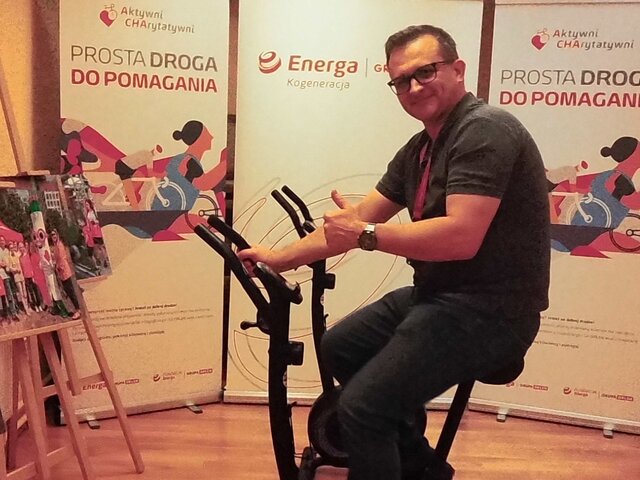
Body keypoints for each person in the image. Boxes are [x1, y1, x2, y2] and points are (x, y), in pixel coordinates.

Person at [238, 25, 550, 480]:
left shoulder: (484, 130)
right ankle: (421, 467)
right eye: (401, 80)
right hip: (440, 295)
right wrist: (276, 258)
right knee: (340, 347)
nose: (414, 87)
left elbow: (461, 236)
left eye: (425, 72)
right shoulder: (421, 149)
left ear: (458, 70)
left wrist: (366, 234)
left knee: (364, 408)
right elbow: (354, 223)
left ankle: (403, 458)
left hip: (492, 310)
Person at [151, 120, 227, 212]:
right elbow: (203, 183)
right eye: (207, 134)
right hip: (166, 213)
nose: (211, 137)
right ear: (199, 139)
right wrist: (225, 162)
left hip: (173, 212)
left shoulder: (189, 160)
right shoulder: (185, 160)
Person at [50, 230, 81, 320]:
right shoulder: (56, 246)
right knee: (68, 291)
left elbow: (61, 258)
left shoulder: (59, 245)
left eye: (54, 234)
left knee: (71, 291)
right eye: (51, 235)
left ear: (57, 235)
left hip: (64, 271)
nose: (53, 236)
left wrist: (57, 266)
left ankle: (78, 309)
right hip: (61, 272)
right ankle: (76, 309)